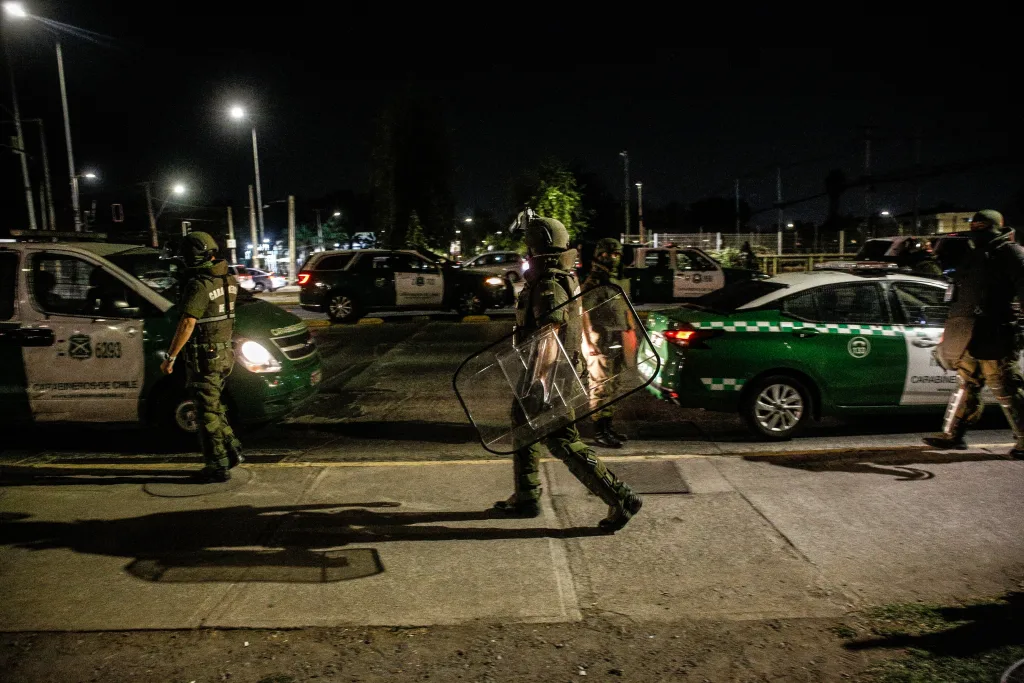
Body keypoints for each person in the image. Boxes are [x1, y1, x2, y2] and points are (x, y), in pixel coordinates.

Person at [492, 215, 642, 531]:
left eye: (528, 245)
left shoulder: (548, 284)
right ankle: (527, 496)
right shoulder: (558, 276)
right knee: (524, 430)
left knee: (562, 441)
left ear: (537, 247)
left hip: (547, 378)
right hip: (546, 375)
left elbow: (549, 334)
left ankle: (620, 498)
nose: (526, 252)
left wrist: (538, 387)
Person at [924, 210, 1024, 456]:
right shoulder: (974, 254)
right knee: (967, 384)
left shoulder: (1011, 253)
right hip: (967, 333)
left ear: (996, 228)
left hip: (996, 332)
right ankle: (954, 435)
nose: (977, 230)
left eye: (982, 226)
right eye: (974, 225)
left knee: (1005, 387)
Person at [160, 231, 244, 482]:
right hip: (224, 353)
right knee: (215, 407)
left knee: (206, 412)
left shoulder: (199, 285)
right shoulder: (229, 280)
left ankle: (217, 465)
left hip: (204, 357)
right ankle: (232, 450)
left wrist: (171, 357)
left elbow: (187, 323)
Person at [582, 237, 632, 448]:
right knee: (600, 388)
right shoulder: (593, 283)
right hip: (600, 341)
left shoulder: (617, 281)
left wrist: (631, 331)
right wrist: (589, 343)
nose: (612, 258)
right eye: (608, 254)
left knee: (614, 387)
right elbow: (583, 312)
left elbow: (626, 310)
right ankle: (599, 431)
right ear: (598, 255)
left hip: (618, 340)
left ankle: (608, 427)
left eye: (616, 254)